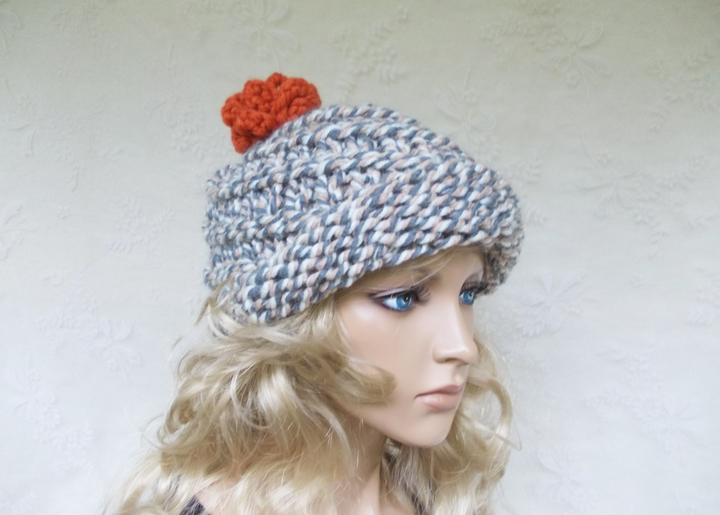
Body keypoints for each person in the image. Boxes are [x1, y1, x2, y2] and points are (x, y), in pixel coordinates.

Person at [109, 73, 523, 514]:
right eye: (403, 298)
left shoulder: (434, 501)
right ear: (290, 319)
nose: (463, 347)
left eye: (468, 294)